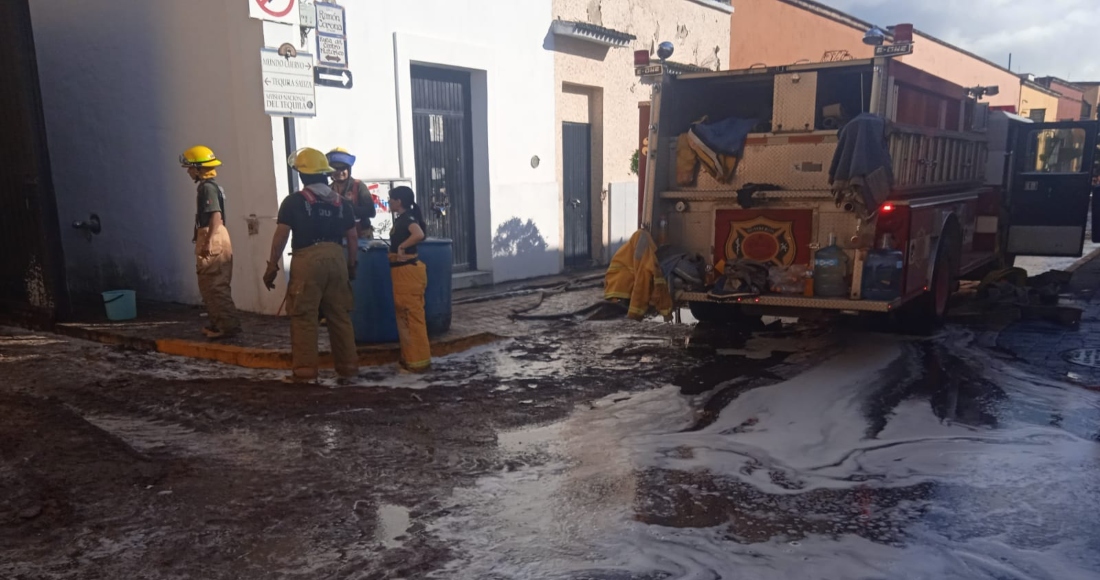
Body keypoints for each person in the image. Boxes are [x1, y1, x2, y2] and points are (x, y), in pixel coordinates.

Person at [263, 148, 359, 383]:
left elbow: (281, 236)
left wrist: (272, 266)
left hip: (307, 260)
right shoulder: (342, 204)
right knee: (340, 316)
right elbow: (353, 237)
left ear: (302, 175)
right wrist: (351, 265)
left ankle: (305, 373)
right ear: (325, 174)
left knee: (304, 316)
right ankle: (348, 369)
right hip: (337, 258)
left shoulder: (294, 202)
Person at [180, 145, 241, 339]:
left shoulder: (207, 188)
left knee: (215, 285)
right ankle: (219, 324)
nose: (189, 172)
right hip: (212, 234)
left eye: (190, 168)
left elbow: (215, 216)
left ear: (199, 168)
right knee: (209, 284)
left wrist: (207, 241)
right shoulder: (211, 186)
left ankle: (227, 326)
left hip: (213, 236)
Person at [387, 186, 431, 372]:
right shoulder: (403, 219)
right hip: (402, 272)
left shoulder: (408, 219)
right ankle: (410, 359)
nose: (389, 202)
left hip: (407, 273)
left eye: (391, 199)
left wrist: (402, 247)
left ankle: (418, 362)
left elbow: (418, 234)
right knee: (405, 317)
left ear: (399, 201)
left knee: (411, 316)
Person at [327, 148, 377, 239]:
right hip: (338, 237)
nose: (339, 172)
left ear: (349, 169)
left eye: (343, 168)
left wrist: (349, 208)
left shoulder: (358, 186)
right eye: (335, 169)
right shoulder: (328, 190)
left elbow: (371, 211)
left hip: (361, 236)